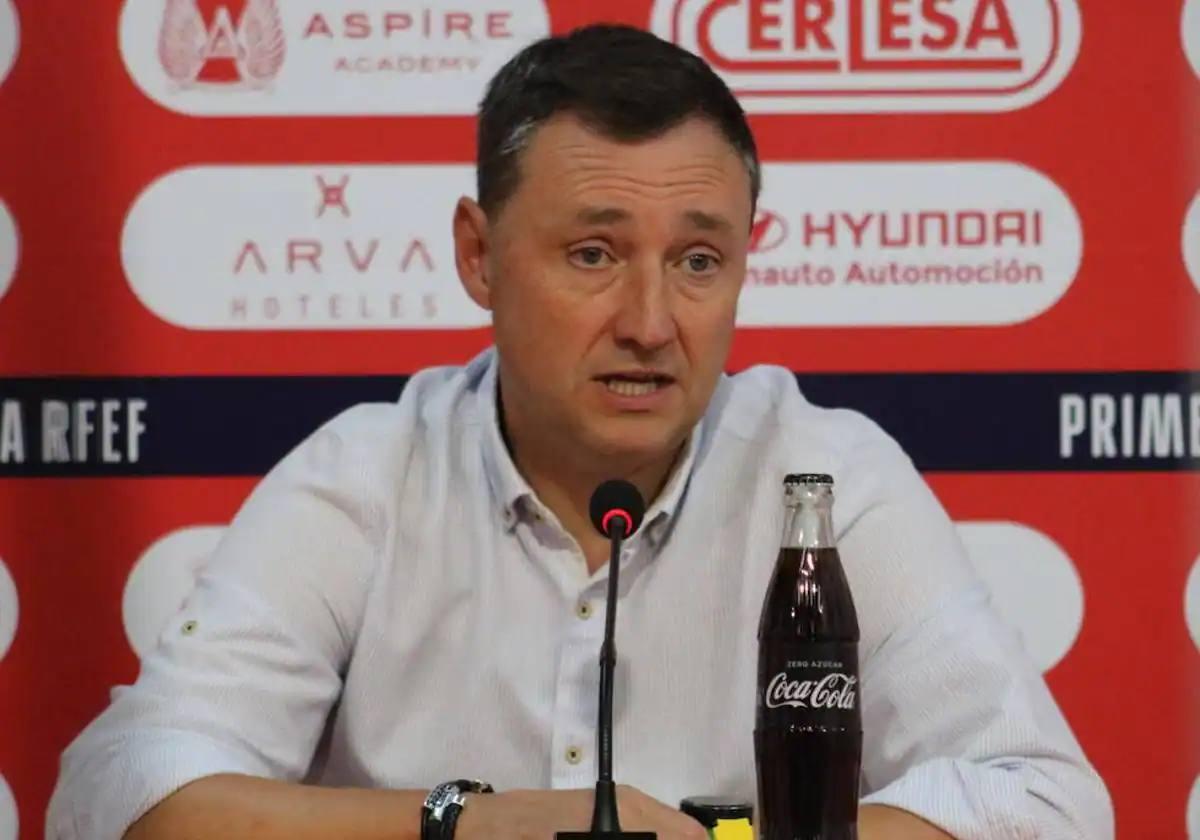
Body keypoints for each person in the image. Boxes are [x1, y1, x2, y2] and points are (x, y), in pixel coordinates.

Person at [47, 23, 1113, 840]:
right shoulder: (370, 476)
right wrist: (464, 821)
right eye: (593, 254)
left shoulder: (822, 479)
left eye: (699, 262)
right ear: (478, 253)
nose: (651, 325)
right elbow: (122, 789)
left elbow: (1046, 804)